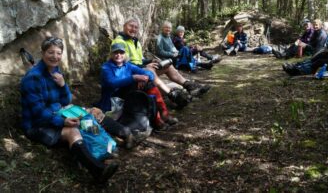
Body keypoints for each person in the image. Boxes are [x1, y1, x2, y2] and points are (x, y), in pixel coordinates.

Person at [20, 37, 122, 182]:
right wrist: (63, 121)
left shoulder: (55, 71)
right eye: (50, 52)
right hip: (37, 125)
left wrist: (63, 85)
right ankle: (97, 170)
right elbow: (38, 112)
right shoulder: (32, 78)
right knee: (72, 131)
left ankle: (109, 146)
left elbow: (66, 100)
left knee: (89, 114)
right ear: (42, 53)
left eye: (58, 53)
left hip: (57, 113)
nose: (55, 57)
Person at [112, 18, 210, 100]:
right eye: (131, 26)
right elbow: (123, 65)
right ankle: (173, 96)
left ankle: (190, 87)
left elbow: (139, 60)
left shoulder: (135, 41)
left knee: (167, 65)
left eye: (136, 27)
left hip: (139, 68)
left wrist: (150, 61)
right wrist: (145, 66)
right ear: (124, 26)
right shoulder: (119, 42)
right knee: (150, 69)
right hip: (129, 74)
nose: (133, 29)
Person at [97, 43, 178, 130]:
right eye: (115, 53)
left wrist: (145, 78)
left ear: (125, 54)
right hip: (113, 98)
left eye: (121, 52)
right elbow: (112, 83)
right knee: (141, 86)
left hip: (127, 93)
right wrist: (134, 78)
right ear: (111, 54)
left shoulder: (127, 65)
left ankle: (163, 113)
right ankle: (157, 119)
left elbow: (149, 73)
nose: (118, 55)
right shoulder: (106, 68)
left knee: (148, 84)